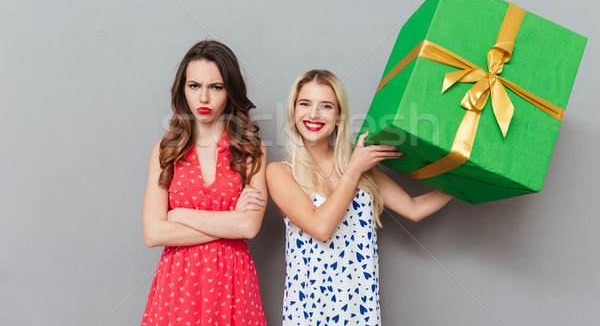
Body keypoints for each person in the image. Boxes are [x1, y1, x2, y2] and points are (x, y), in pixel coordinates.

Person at [266, 69, 452, 326]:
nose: (314, 114)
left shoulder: (360, 164)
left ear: (339, 116)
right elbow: (321, 228)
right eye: (305, 104)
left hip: (359, 310)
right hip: (310, 313)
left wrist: (461, 179)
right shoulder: (280, 172)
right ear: (293, 111)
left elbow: (414, 208)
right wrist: (353, 170)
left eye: (326, 106)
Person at [141, 40, 268, 326]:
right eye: (194, 86)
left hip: (233, 283)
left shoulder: (251, 149)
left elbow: (248, 226)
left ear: (230, 90)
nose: (204, 98)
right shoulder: (165, 149)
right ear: (182, 89)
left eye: (216, 87)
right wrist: (229, 221)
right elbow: (153, 233)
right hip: (178, 284)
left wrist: (180, 215)